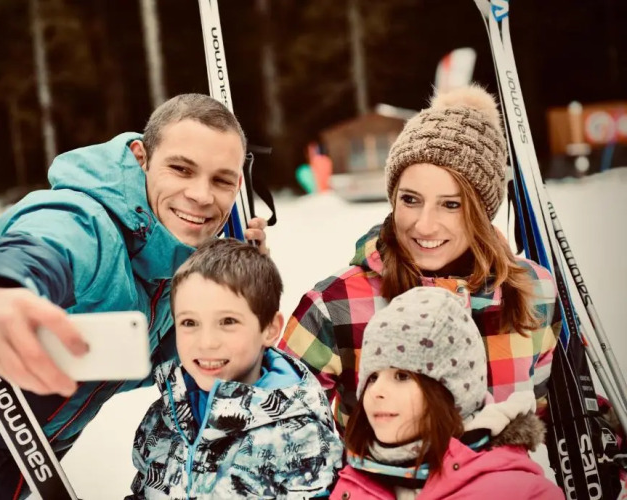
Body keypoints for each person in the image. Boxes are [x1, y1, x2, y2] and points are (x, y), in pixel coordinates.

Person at [0, 94, 270, 499]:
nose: (202, 195)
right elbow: (34, 252)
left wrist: (234, 298)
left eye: (221, 180)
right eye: (181, 169)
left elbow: (151, 359)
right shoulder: (83, 223)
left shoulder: (170, 269)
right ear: (141, 158)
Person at [279, 84, 559, 434]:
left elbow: (549, 418)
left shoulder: (534, 291)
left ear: (482, 212)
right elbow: (281, 431)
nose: (424, 225)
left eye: (451, 204)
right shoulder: (335, 304)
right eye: (410, 200)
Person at [128, 238, 344, 499]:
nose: (207, 342)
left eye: (228, 321)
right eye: (189, 322)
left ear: (270, 329)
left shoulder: (302, 439)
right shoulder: (166, 413)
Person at [330, 286, 564, 500]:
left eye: (402, 376)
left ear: (454, 390)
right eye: (372, 378)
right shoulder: (355, 483)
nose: (376, 392)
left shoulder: (517, 492)